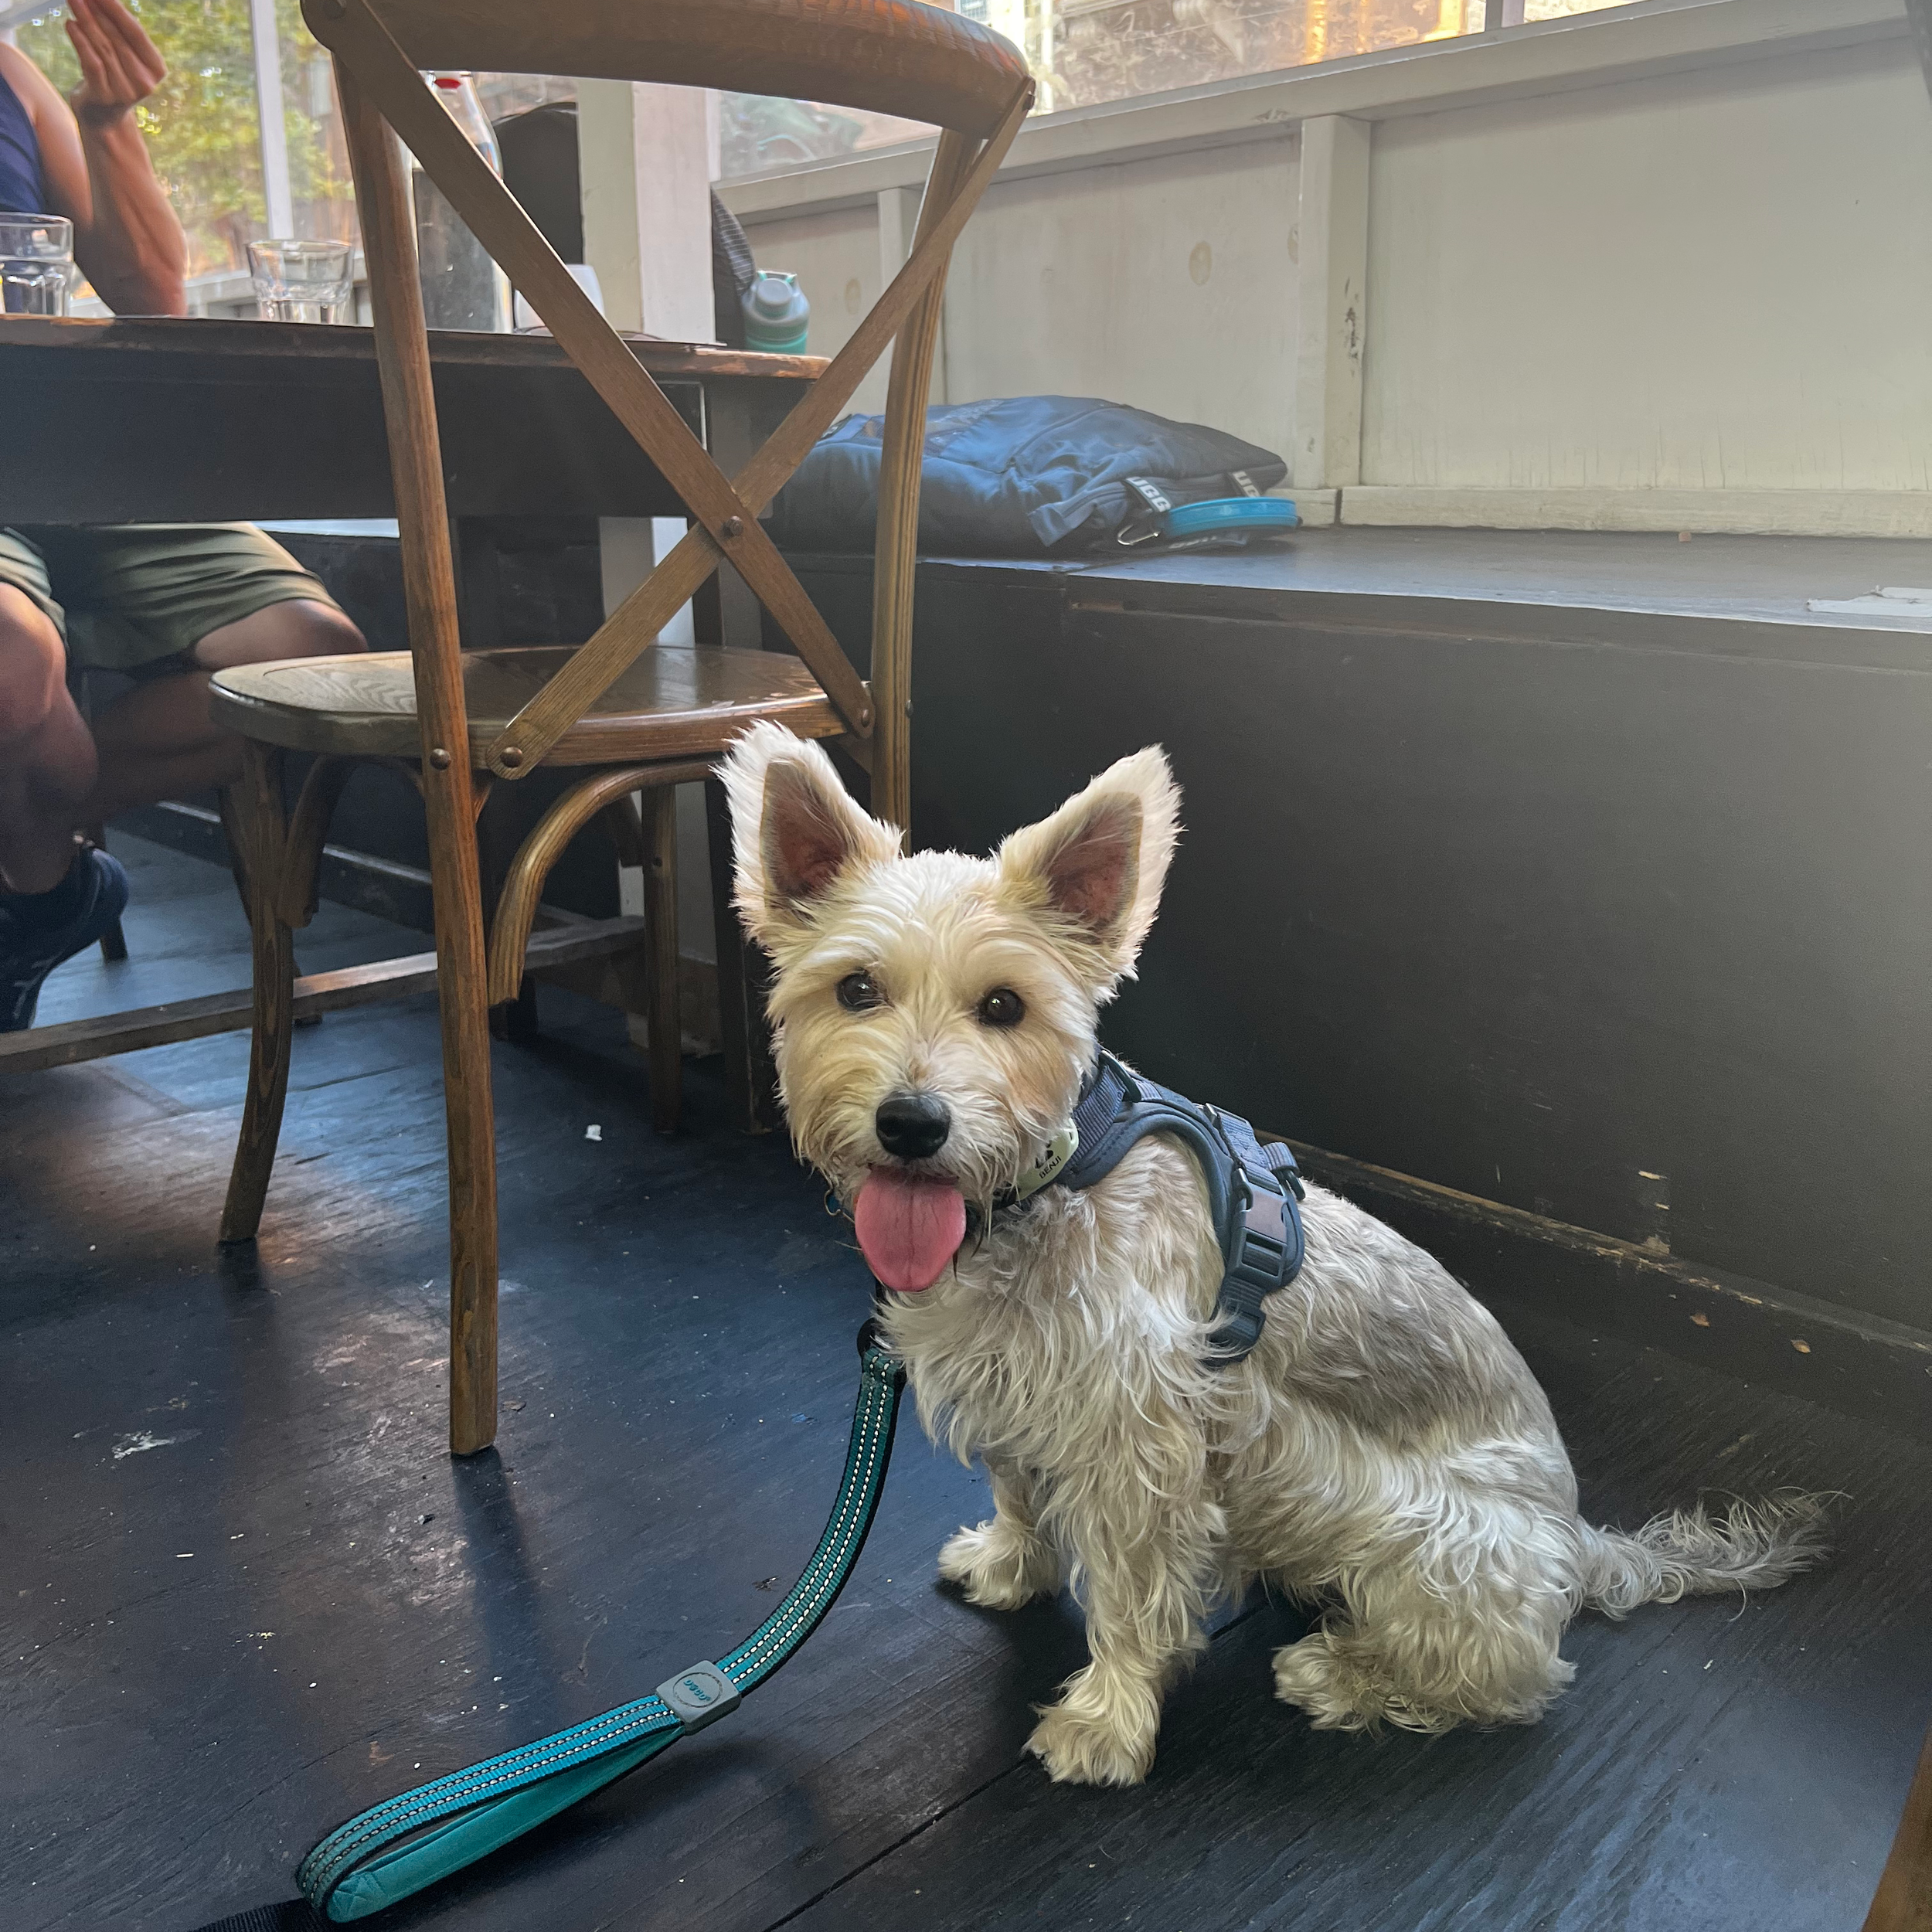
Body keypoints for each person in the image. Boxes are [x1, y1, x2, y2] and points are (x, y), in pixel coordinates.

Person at [0, 0, 366, 1030]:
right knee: (9, 661)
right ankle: (41, 896)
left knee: (311, 659)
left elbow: (152, 293)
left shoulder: (12, 78)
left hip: (83, 460)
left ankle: (33, 856)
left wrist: (109, 123)